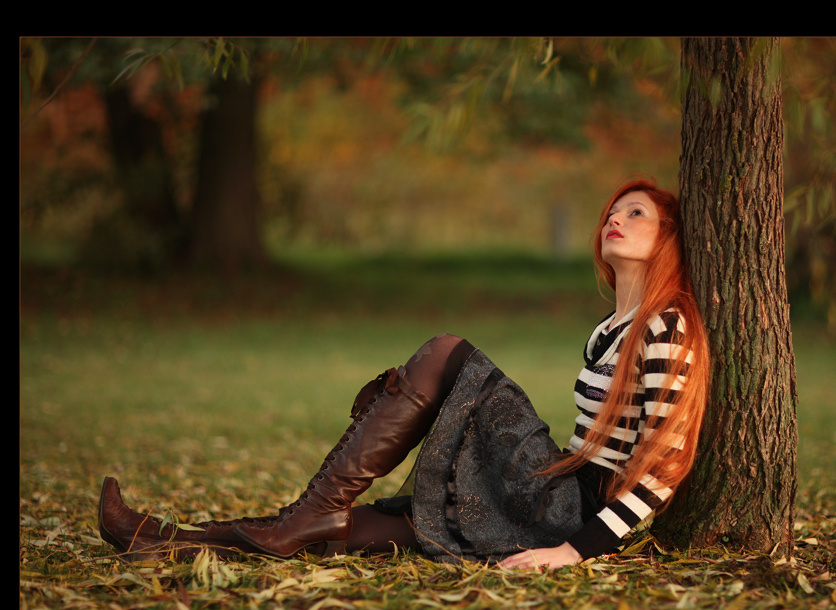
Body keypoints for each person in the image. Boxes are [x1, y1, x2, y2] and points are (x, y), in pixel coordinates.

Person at [98, 178, 710, 570]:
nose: (614, 220)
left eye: (636, 213)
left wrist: (573, 551)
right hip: (552, 489)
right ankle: (164, 539)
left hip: (572, 507)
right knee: (366, 527)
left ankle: (310, 511)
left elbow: (663, 470)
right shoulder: (610, 327)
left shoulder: (667, 327)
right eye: (612, 212)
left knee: (448, 353)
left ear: (668, 240)